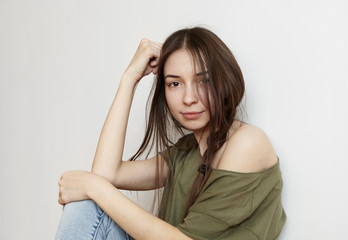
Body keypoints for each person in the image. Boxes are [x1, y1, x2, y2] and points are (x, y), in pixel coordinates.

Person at [56, 27, 286, 240]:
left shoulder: (247, 142)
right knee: (85, 204)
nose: (189, 98)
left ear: (225, 79)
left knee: (93, 195)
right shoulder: (187, 151)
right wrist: (129, 79)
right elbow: (107, 173)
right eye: (175, 84)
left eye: (203, 81)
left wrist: (95, 188)